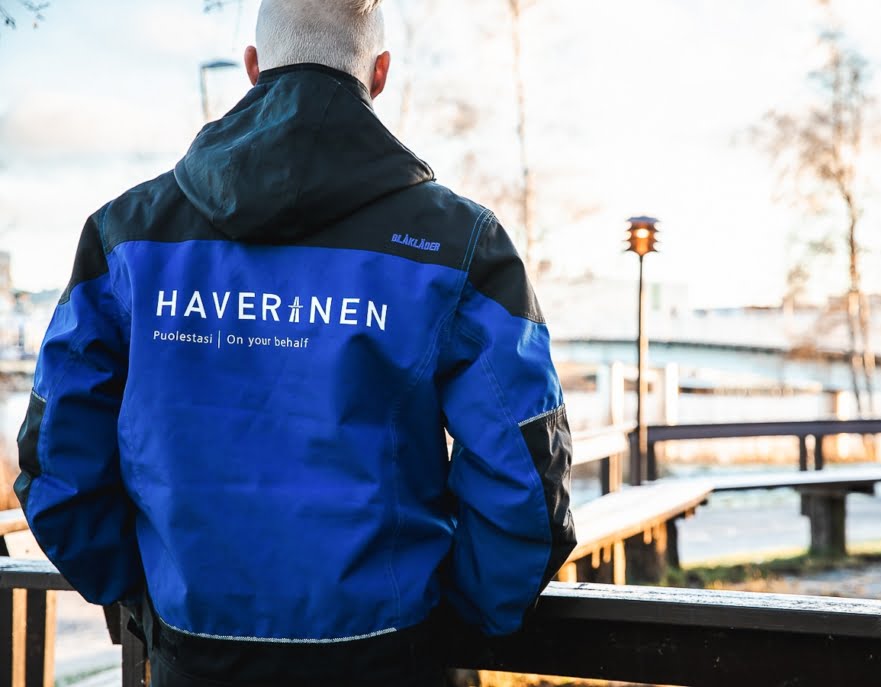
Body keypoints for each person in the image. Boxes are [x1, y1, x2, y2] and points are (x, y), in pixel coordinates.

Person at [15, 0, 576, 684]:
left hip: (193, 655)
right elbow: (522, 470)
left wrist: (145, 596)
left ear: (253, 66)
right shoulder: (458, 244)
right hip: (392, 655)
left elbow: (58, 463)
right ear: (380, 73)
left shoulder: (126, 236)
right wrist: (463, 618)